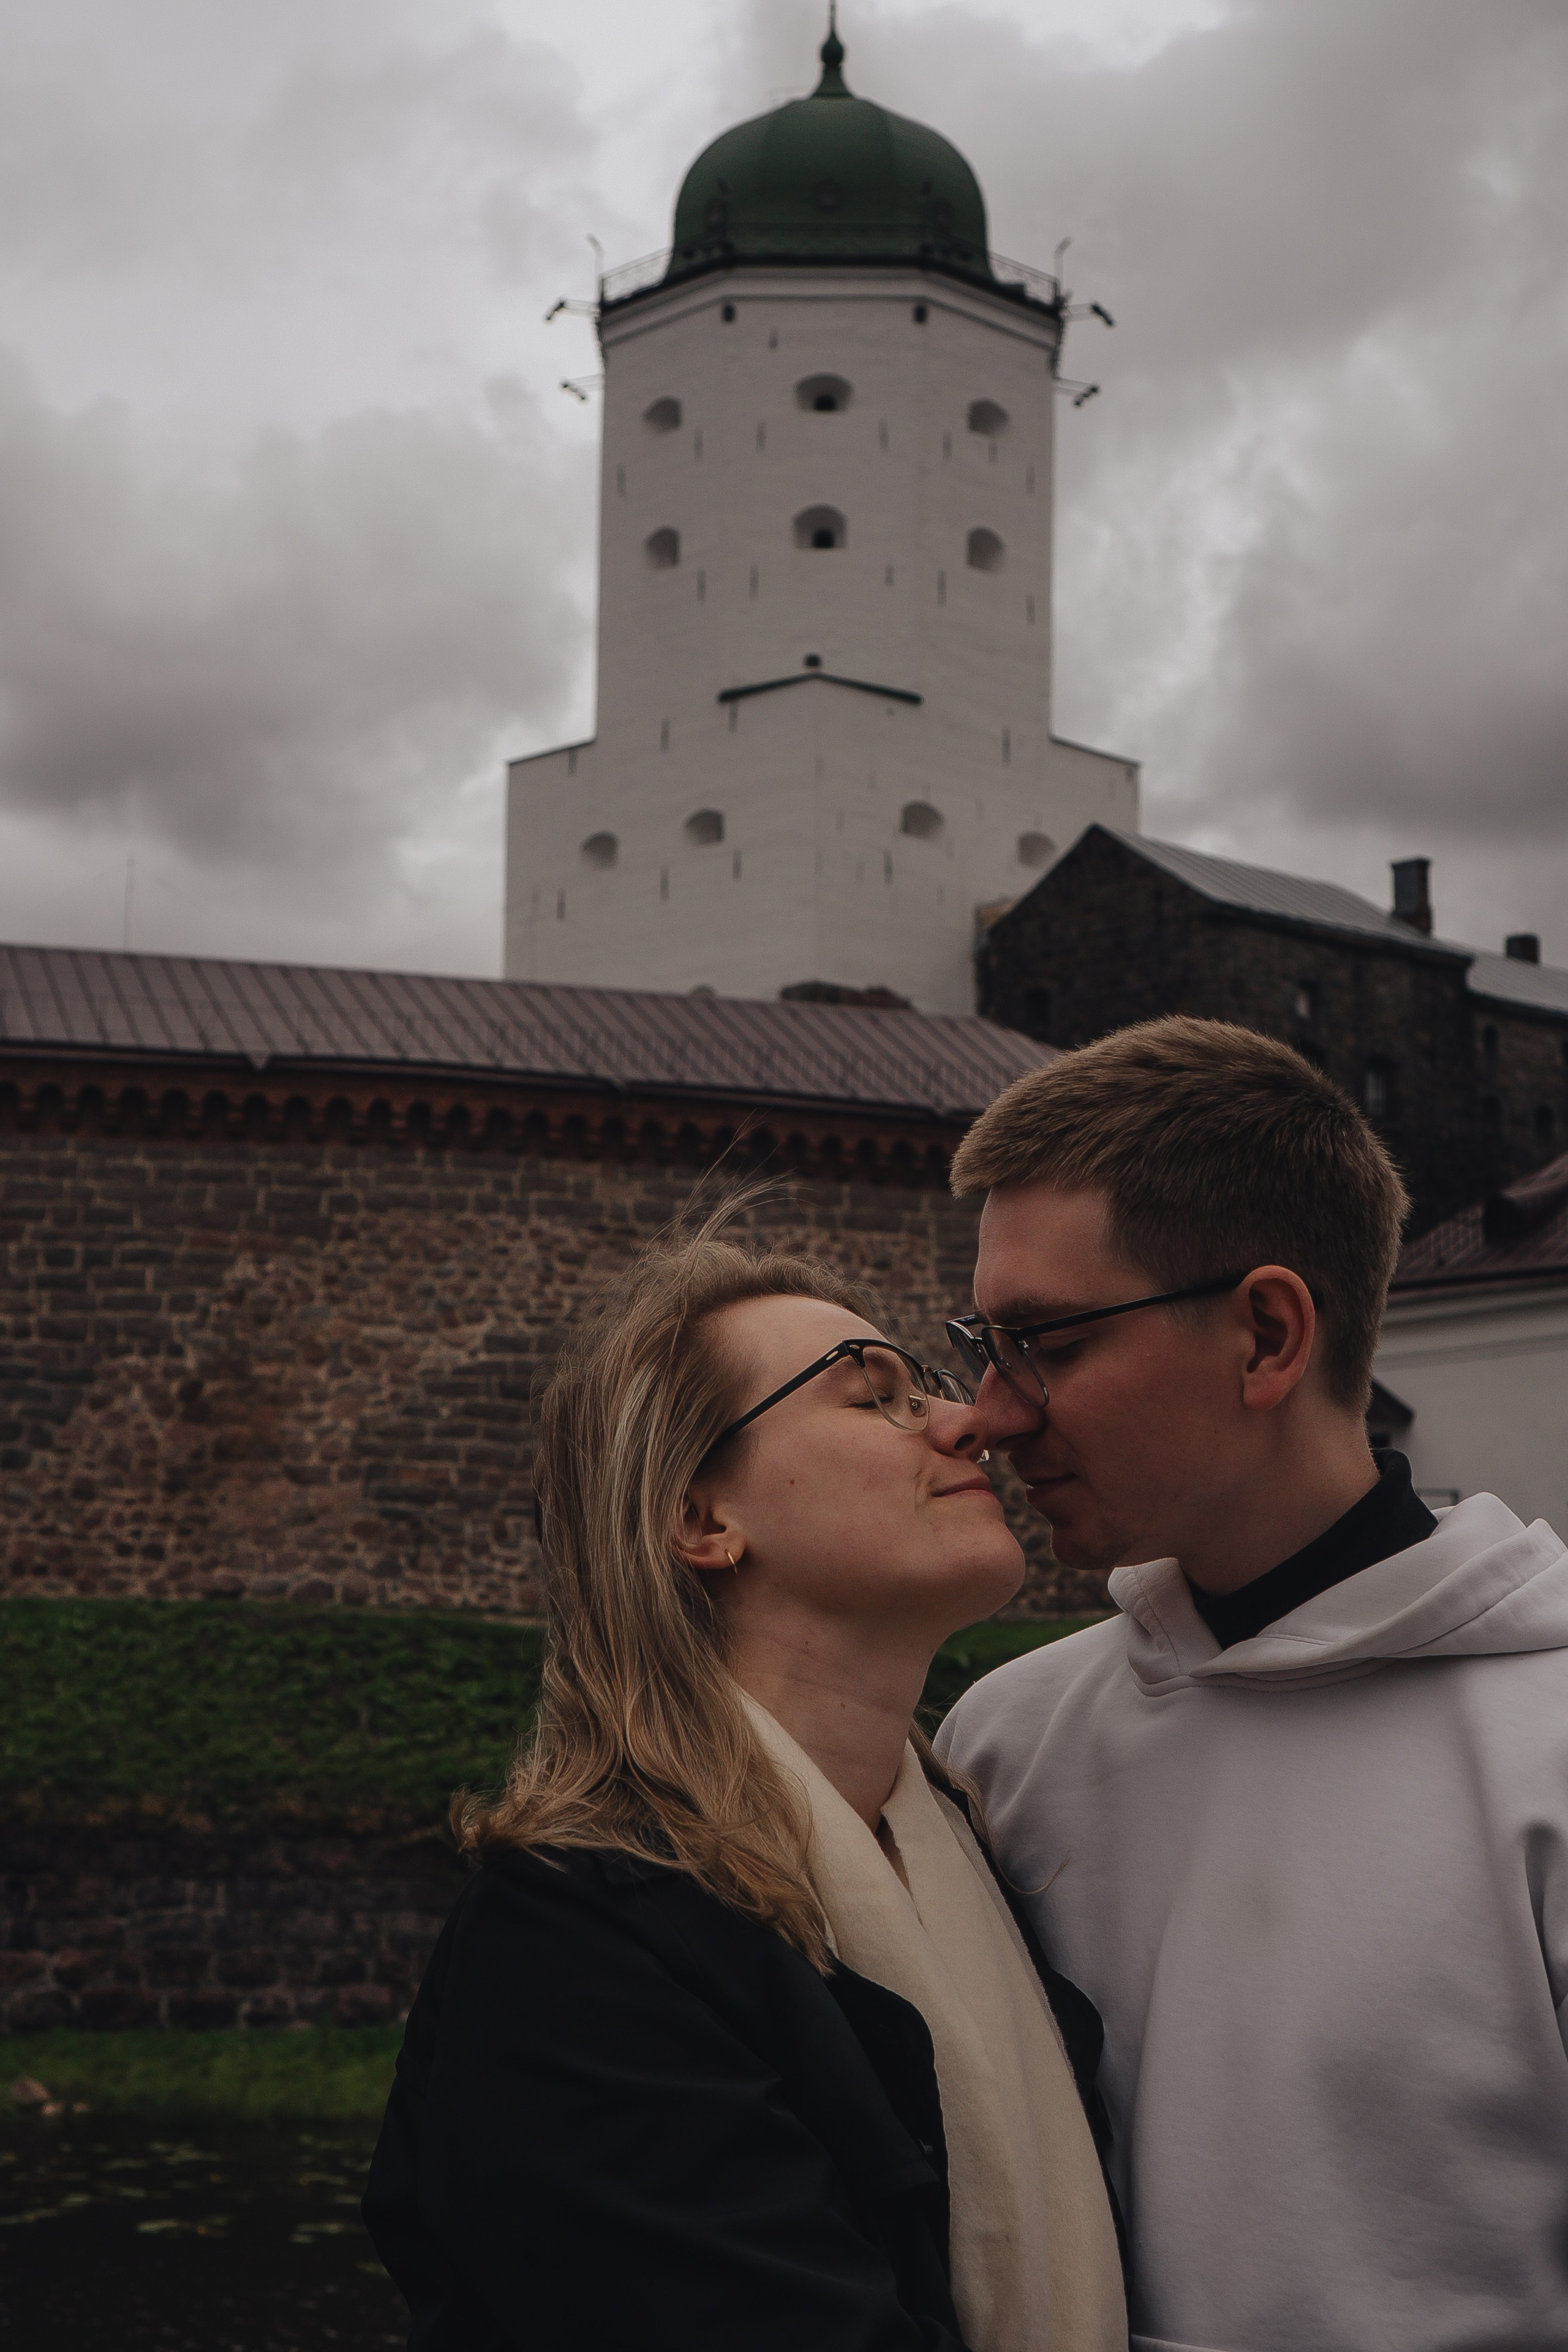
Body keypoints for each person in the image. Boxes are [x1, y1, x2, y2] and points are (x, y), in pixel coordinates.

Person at [363, 1224, 1127, 2352]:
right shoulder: (573, 1947)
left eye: (931, 1389)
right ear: (700, 1521)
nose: (970, 1421)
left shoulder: (972, 1849)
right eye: (875, 1398)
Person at [936, 1015, 1568, 2352]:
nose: (989, 1413)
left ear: (1266, 1335)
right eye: (980, 1344)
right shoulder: (1004, 1745)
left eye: (1044, 1343)